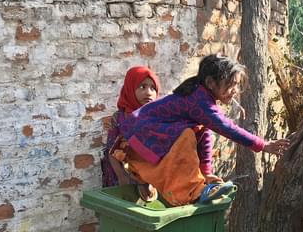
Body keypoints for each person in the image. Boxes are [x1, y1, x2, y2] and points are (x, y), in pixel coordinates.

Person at [118, 54, 290, 206]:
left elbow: (206, 136)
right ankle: (193, 191)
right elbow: (226, 127)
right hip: (139, 139)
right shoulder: (198, 100)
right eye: (230, 85)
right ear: (210, 83)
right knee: (186, 136)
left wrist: (206, 174)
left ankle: (197, 186)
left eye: (237, 85)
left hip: (144, 138)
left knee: (192, 133)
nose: (235, 91)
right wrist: (263, 145)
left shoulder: (199, 98)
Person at [101, 66, 160, 188]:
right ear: (130, 88)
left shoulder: (159, 118)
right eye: (142, 86)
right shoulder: (119, 118)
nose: (148, 92)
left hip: (152, 178)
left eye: (153, 88)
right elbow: (111, 150)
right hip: (124, 177)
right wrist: (122, 176)